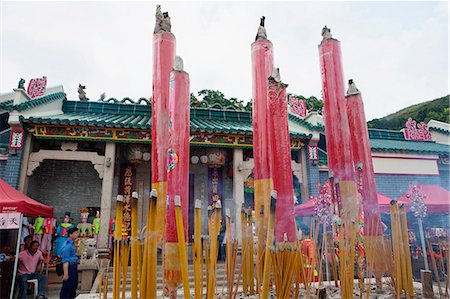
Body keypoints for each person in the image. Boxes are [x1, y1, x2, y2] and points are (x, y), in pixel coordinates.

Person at [60, 227, 79, 299]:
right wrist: (66, 273)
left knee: (73, 286)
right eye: (76, 233)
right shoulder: (67, 245)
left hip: (73, 266)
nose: (77, 234)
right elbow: (65, 260)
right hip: (69, 267)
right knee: (68, 286)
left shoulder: (72, 244)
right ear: (70, 234)